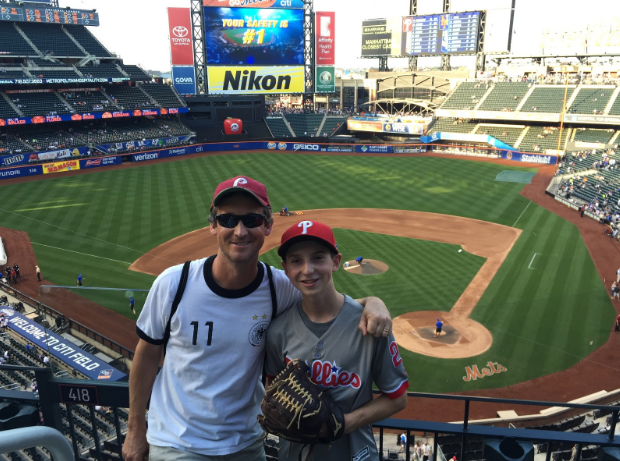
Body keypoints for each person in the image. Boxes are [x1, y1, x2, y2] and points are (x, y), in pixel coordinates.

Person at [122, 176, 392, 461]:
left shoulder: (279, 288)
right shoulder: (173, 284)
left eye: (251, 220)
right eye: (227, 220)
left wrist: (372, 303)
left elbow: (328, 304)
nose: (240, 231)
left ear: (268, 226)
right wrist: (135, 428)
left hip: (246, 444)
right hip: (178, 443)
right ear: (213, 225)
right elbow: (147, 355)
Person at [264, 220, 408, 460]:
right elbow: (271, 387)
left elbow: (398, 398)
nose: (307, 269)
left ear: (336, 262)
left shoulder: (370, 324)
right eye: (296, 261)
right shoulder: (278, 331)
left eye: (318, 258)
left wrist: (342, 424)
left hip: (355, 453)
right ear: (285, 269)